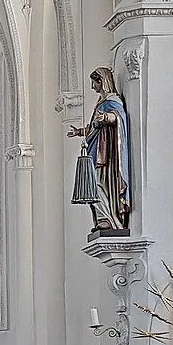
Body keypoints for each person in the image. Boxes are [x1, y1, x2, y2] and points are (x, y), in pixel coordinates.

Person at [68, 67, 132, 234]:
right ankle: (103, 219)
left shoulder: (112, 101)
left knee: (97, 183)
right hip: (96, 150)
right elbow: (93, 127)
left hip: (106, 154)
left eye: (94, 82)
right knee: (92, 183)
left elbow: (118, 117)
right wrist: (80, 132)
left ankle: (109, 219)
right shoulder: (100, 103)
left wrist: (107, 118)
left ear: (102, 82)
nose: (92, 87)